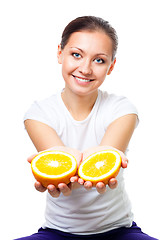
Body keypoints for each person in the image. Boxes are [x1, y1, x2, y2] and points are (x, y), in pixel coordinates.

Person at [15, 16, 158, 240]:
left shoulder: (123, 109)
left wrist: (82, 163)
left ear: (111, 66)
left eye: (99, 60)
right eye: (76, 54)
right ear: (59, 53)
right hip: (56, 233)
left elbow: (102, 166)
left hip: (119, 231)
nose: (86, 68)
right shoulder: (38, 114)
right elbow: (63, 174)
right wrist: (66, 171)